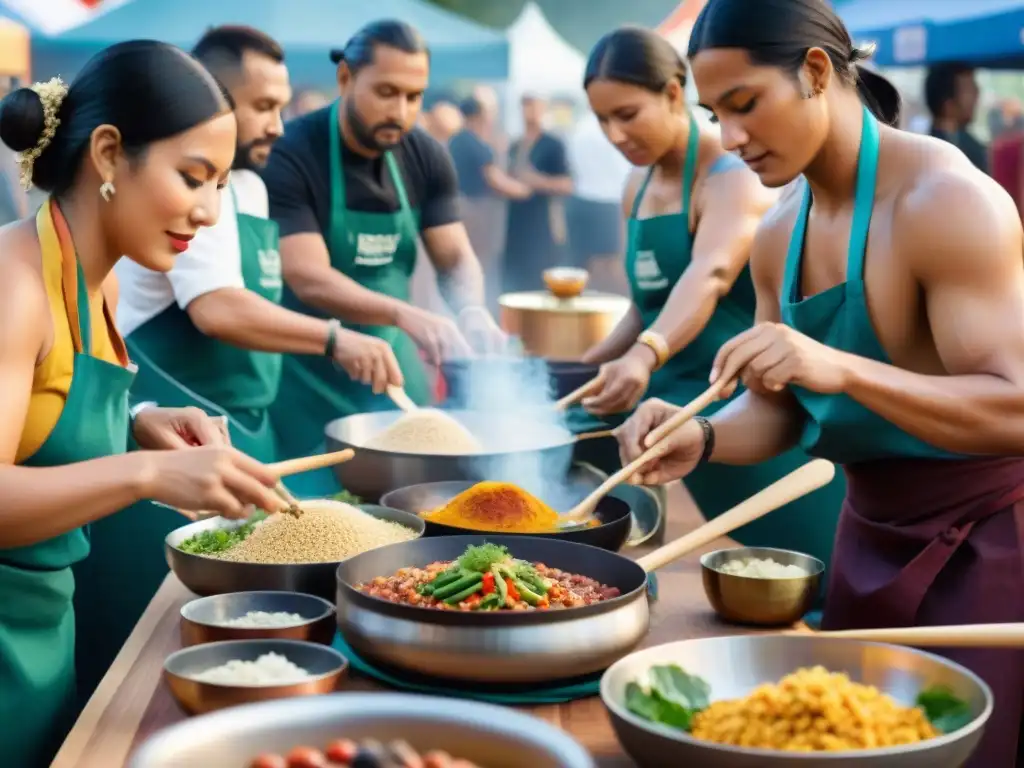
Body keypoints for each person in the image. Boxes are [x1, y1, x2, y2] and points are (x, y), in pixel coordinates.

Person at [618, 1, 1024, 764]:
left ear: (814, 72)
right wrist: (699, 434)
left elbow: (1016, 407)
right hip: (864, 541)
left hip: (990, 552)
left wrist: (842, 367)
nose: (729, 139)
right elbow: (778, 409)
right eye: (715, 112)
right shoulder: (779, 230)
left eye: (744, 106)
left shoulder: (945, 201)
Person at [0, 41, 290, 767]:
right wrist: (149, 476)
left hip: (45, 631)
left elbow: (42, 407)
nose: (211, 212)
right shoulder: (14, 288)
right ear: (106, 153)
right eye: (194, 177)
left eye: (221, 184)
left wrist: (137, 424)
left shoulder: (99, 283)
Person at [575, 26, 846, 567]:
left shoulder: (731, 178)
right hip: (666, 417)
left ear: (675, 94)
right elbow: (645, 305)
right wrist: (587, 366)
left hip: (736, 408)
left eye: (626, 114)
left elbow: (712, 274)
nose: (614, 134)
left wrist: (645, 353)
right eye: (603, 120)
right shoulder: (638, 185)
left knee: (795, 571)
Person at [116, 26, 401, 489]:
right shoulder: (186, 200)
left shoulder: (250, 188)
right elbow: (217, 308)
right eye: (264, 107)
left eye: (282, 107)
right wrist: (335, 338)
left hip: (244, 426)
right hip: (173, 427)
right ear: (212, 99)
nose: (279, 125)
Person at [260, 20, 505, 467]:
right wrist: (405, 312)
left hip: (394, 364)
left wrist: (471, 308)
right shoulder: (294, 152)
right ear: (345, 79)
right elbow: (307, 276)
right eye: (386, 92)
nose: (401, 111)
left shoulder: (425, 155)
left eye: (414, 97)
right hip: (308, 374)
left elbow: (455, 258)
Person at [449, 95, 531, 312]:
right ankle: (475, 309)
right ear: (479, 116)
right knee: (477, 264)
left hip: (460, 207)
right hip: (476, 210)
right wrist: (525, 190)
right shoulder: (475, 144)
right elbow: (494, 179)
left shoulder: (457, 140)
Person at [502, 95, 574, 293]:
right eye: (526, 106)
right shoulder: (516, 145)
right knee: (514, 280)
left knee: (538, 279)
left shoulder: (553, 144)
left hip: (542, 222)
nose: (530, 112)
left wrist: (537, 181)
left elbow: (567, 184)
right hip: (516, 224)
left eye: (534, 106)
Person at [565, 110, 632, 293]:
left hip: (582, 202)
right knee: (610, 266)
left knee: (585, 266)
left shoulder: (580, 126)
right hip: (608, 204)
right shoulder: (618, 126)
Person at [925, 62, 988, 174]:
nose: (976, 97)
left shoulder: (920, 149)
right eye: (970, 91)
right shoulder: (966, 153)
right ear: (948, 106)